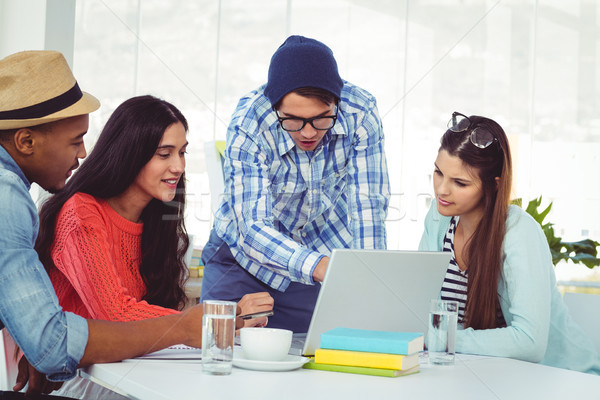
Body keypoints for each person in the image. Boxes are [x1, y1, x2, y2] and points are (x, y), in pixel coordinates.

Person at [0, 50, 231, 398]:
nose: (82, 154)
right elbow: (54, 344)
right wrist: (187, 327)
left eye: (182, 153)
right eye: (75, 141)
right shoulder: (10, 198)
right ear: (26, 142)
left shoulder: (160, 220)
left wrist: (31, 332)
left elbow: (40, 333)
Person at [32, 95, 273, 398]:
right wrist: (214, 320)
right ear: (129, 154)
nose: (178, 166)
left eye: (182, 153)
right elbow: (114, 316)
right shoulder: (81, 213)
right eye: (164, 154)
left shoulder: (158, 221)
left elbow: (156, 324)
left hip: (134, 374)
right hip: (85, 382)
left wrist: (224, 324)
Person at [200, 35, 390, 333]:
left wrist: (368, 278)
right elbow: (251, 227)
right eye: (292, 120)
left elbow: (368, 207)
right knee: (221, 353)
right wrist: (321, 267)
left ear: (337, 103)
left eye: (321, 118)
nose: (308, 132)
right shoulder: (250, 120)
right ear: (275, 106)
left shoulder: (361, 113)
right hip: (240, 265)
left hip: (314, 260)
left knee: (319, 358)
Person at [419, 112, 600, 374]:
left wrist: (441, 338)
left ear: (493, 186)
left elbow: (529, 343)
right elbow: (421, 311)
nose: (442, 190)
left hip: (566, 380)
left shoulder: (519, 232)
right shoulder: (438, 220)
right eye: (438, 172)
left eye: (459, 182)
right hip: (490, 375)